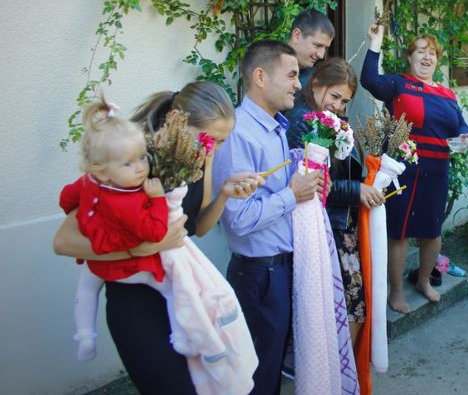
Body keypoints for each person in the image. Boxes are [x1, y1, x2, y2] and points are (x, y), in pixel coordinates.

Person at [53, 81, 264, 393]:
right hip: (137, 303)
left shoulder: (197, 157)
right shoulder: (133, 161)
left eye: (220, 142)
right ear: (177, 120)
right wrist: (145, 246)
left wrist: (223, 194)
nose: (214, 148)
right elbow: (63, 242)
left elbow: (196, 228)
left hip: (180, 295)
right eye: (210, 139)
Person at [212, 40, 325, 395]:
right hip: (258, 273)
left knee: (272, 368)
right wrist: (293, 195)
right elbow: (237, 218)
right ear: (260, 76)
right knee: (257, 377)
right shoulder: (239, 133)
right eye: (291, 75)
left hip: (278, 268)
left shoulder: (273, 127)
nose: (298, 84)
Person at [360, 21, 468, 314]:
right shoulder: (399, 84)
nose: (426, 56)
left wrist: (463, 137)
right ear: (410, 57)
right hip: (404, 170)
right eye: (420, 51)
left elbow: (459, 125)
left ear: (437, 58)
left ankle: (423, 281)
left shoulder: (447, 94)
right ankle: (395, 292)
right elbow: (369, 80)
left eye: (432, 52)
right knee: (400, 232)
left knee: (432, 231)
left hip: (437, 169)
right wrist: (375, 44)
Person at [60, 96, 169, 362]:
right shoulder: (130, 200)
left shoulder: (88, 182)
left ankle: (85, 334)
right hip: (131, 269)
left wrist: (81, 209)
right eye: (128, 163)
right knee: (174, 290)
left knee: (86, 290)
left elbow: (66, 197)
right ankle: (185, 334)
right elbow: (154, 232)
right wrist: (157, 200)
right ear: (103, 171)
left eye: (142, 158)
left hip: (96, 262)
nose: (141, 168)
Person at [285, 57, 383, 344]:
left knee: (351, 305)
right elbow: (315, 186)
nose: (338, 106)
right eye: (335, 96)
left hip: (343, 221)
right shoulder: (303, 124)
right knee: (349, 307)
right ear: (316, 85)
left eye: (345, 101)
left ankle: (343, 374)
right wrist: (357, 191)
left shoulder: (334, 119)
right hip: (327, 223)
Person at [287, 8, 335, 89]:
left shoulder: (315, 81)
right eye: (317, 45)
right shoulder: (267, 70)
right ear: (297, 35)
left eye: (325, 48)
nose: (321, 55)